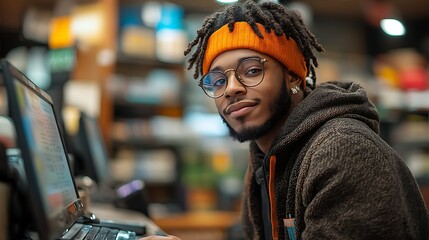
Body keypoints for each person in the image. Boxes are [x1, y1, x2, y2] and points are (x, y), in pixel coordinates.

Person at [141, 0, 429, 239]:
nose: (231, 89)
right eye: (217, 81)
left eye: (252, 70)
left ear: (293, 76)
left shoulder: (344, 151)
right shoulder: (264, 159)